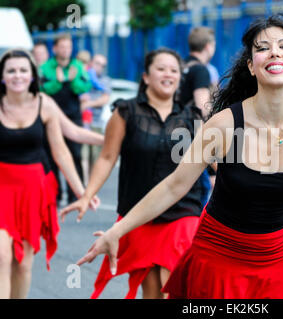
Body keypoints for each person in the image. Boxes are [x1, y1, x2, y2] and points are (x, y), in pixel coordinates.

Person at [65, 14, 283, 299]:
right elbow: (174, 186)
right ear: (251, 66)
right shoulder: (223, 125)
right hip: (220, 256)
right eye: (262, 48)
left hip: (279, 257)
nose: (273, 52)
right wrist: (117, 232)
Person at [60, 48, 204, 299]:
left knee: (173, 287)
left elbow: (215, 163)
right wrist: (86, 195)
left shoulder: (192, 117)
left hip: (183, 213)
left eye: (174, 70)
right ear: (146, 76)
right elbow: (107, 157)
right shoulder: (126, 112)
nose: (168, 74)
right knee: (151, 291)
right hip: (139, 215)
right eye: (161, 69)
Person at [0, 49, 97, 299]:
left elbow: (62, 152)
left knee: (23, 264)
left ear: (33, 75)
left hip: (33, 189)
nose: (17, 75)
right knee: (2, 255)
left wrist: (81, 191)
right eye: (11, 70)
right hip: (2, 188)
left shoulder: (45, 104)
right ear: (2, 76)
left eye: (23, 70)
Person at [40, 33, 92, 204]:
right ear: (54, 48)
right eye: (62, 47)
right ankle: (54, 194)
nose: (65, 50)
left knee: (75, 154)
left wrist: (71, 81)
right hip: (50, 117)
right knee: (51, 155)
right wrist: (59, 81)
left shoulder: (77, 66)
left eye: (68, 47)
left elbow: (85, 86)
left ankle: (76, 194)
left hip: (73, 116)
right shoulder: (47, 67)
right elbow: (42, 88)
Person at [179, 26, 217, 207]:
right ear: (208, 46)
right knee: (201, 187)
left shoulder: (181, 65)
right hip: (191, 132)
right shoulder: (201, 70)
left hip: (174, 129)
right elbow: (203, 106)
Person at [79, 54, 111, 179]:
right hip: (83, 122)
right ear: (91, 63)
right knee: (83, 155)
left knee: (95, 157)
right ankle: (84, 183)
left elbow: (105, 98)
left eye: (103, 65)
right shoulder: (83, 75)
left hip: (96, 123)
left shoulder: (105, 80)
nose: (100, 67)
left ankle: (91, 184)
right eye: (97, 63)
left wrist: (88, 103)